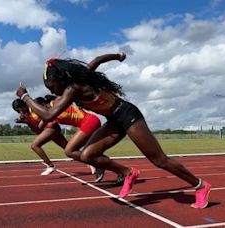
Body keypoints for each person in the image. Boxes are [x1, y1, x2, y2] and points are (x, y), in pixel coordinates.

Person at [16, 53, 211, 208]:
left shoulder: (73, 88)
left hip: (127, 114)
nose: (53, 90)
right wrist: (116, 56)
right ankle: (127, 172)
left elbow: (49, 116)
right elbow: (96, 61)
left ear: (61, 79)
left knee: (159, 160)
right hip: (113, 120)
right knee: (88, 155)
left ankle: (200, 185)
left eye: (52, 86)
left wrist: (25, 97)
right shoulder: (78, 80)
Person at [12, 98, 67, 175]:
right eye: (18, 111)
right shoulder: (27, 115)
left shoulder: (34, 107)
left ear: (24, 105)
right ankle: (89, 160)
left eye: (20, 109)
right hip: (49, 129)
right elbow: (37, 130)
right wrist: (26, 121)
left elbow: (46, 115)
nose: (20, 112)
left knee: (35, 145)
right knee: (69, 150)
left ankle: (50, 165)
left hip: (52, 126)